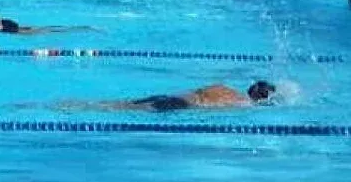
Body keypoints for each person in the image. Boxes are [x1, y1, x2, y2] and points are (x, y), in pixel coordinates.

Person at [63, 81, 277, 112]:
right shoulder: (242, 103)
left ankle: (78, 104)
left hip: (173, 96)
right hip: (179, 103)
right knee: (125, 108)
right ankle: (80, 106)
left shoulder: (224, 87)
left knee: (124, 104)